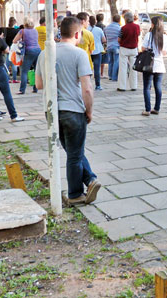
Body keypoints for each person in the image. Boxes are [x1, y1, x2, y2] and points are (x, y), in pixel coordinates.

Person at [35, 16, 100, 206]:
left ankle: (90, 180)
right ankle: (75, 194)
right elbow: (87, 89)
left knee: (73, 151)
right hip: (73, 110)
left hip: (52, 111)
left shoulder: (44, 54)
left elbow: (39, 84)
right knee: (74, 154)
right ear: (77, 34)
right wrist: (89, 111)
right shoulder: (79, 54)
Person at [141, 16, 167, 116]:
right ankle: (157, 108)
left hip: (149, 64)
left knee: (147, 87)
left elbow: (143, 48)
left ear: (153, 24)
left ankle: (147, 109)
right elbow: (164, 52)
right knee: (158, 87)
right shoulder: (164, 37)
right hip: (160, 65)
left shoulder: (149, 35)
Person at [13, 17, 41, 94]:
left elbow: (14, 41)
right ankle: (36, 88)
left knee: (24, 71)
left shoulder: (22, 31)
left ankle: (22, 90)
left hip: (29, 51)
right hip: (38, 50)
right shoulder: (35, 31)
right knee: (36, 70)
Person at [118, 11, 140, 91]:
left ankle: (122, 86)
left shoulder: (123, 28)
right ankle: (134, 86)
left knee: (123, 68)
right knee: (133, 68)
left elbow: (119, 39)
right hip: (134, 48)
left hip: (124, 48)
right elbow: (138, 35)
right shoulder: (137, 27)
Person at [88, 15, 106, 90]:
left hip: (88, 51)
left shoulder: (86, 29)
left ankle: (88, 84)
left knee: (87, 68)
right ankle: (98, 85)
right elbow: (104, 40)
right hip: (97, 50)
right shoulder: (99, 29)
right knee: (97, 69)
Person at [104, 14, 121, 81]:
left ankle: (110, 76)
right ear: (119, 20)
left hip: (109, 46)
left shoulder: (107, 28)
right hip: (116, 46)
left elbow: (105, 36)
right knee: (116, 61)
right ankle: (114, 77)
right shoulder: (119, 28)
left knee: (110, 61)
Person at [3, 17, 19, 83]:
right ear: (15, 23)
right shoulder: (17, 30)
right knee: (14, 64)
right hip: (14, 48)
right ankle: (14, 79)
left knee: (7, 63)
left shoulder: (6, 30)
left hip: (8, 47)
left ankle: (8, 78)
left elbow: (4, 38)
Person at [96, 13, 108, 79]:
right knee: (102, 61)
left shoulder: (94, 26)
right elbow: (105, 37)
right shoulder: (104, 26)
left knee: (96, 60)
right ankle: (101, 73)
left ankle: (96, 72)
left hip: (94, 44)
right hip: (102, 44)